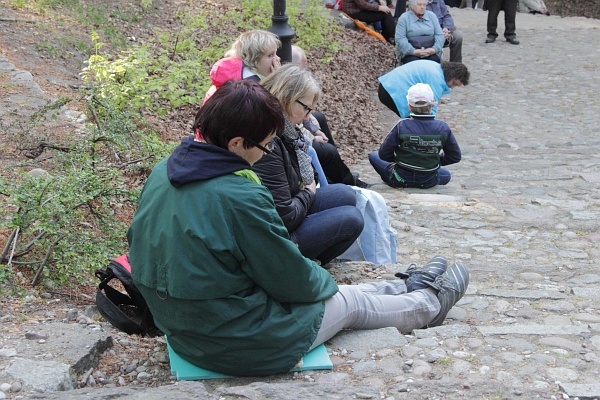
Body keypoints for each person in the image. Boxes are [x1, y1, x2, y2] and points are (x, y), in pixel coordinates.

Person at [127, 80, 470, 376]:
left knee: (336, 293)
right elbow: (289, 277)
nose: (266, 153)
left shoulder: (165, 170)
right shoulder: (239, 194)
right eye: (264, 145)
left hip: (187, 324)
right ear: (235, 143)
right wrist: (326, 284)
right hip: (234, 339)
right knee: (346, 302)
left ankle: (406, 286)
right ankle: (429, 304)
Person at [251, 64, 364, 265]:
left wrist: (305, 191)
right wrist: (308, 193)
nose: (306, 117)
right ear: (286, 96)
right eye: (305, 108)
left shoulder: (287, 131)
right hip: (275, 236)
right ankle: (303, 266)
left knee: (345, 194)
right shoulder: (268, 137)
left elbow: (301, 179)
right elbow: (283, 217)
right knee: (352, 219)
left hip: (288, 207)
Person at [291, 45, 371, 188]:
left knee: (319, 117)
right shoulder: (288, 86)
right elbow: (291, 124)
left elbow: (308, 115)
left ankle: (334, 171)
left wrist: (315, 130)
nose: (306, 72)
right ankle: (347, 182)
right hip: (293, 138)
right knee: (328, 151)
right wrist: (313, 137)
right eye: (303, 68)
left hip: (300, 127)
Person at [369, 83, 461, 188]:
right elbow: (455, 156)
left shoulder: (401, 126)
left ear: (409, 106)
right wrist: (433, 161)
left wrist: (399, 161)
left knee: (373, 155)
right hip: (428, 180)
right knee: (446, 175)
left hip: (400, 178)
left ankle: (391, 177)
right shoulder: (443, 127)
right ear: (432, 105)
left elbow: (383, 153)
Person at [378, 60, 470, 118]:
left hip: (387, 85)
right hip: (391, 91)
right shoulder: (437, 79)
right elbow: (431, 106)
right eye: (453, 83)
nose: (452, 87)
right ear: (452, 74)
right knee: (415, 120)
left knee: (415, 119)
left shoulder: (436, 68)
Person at [395, 0, 445, 65]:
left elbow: (440, 35)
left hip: (430, 51)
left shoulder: (432, 16)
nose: (422, 7)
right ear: (412, 5)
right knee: (414, 63)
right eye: (419, 4)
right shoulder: (404, 18)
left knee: (434, 62)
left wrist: (434, 49)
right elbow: (400, 39)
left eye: (424, 5)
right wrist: (413, 51)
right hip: (410, 53)